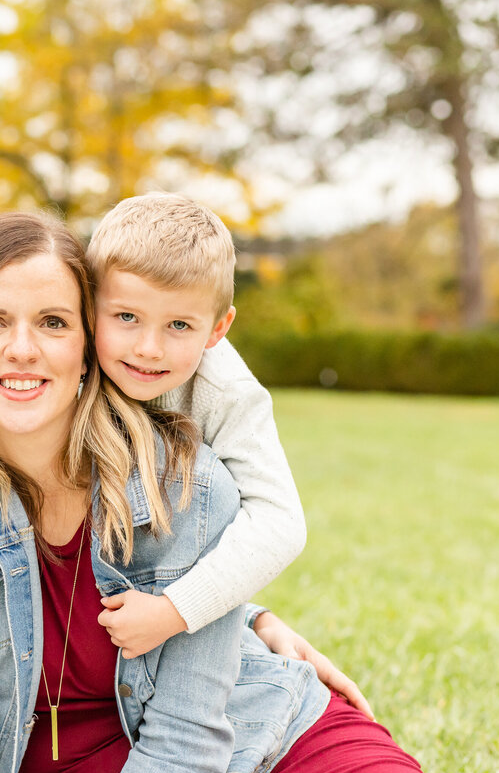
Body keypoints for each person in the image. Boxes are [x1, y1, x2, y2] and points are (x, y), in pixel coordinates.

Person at [0, 211, 427, 773]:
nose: (22, 349)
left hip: (255, 731)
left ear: (86, 344)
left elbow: (188, 736)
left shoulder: (189, 477)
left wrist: (198, 610)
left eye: (52, 322)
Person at [85, 192, 370, 710]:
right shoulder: (62, 351)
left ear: (218, 328)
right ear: (90, 305)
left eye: (179, 325)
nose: (149, 347)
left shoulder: (227, 393)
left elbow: (279, 521)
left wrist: (176, 611)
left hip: (162, 603)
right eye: (126, 316)